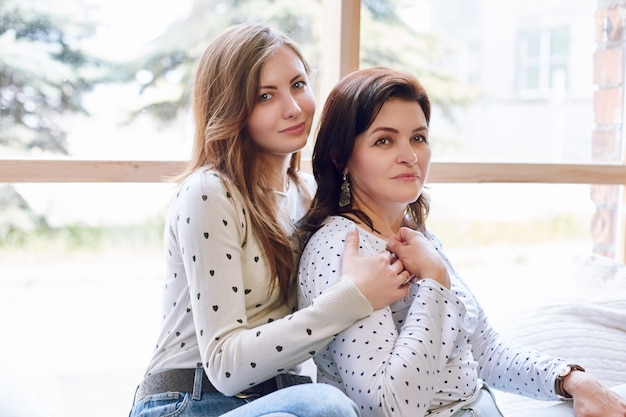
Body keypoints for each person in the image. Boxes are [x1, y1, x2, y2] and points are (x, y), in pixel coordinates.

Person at [297, 66, 626, 417]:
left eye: (419, 138)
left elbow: (483, 350)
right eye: (384, 140)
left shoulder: (417, 237)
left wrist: (570, 379)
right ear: (341, 158)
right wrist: (436, 282)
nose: (410, 155)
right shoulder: (340, 249)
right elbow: (390, 407)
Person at [128, 24, 412, 417]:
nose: (293, 107)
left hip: (280, 399)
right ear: (231, 109)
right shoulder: (209, 193)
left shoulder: (309, 195)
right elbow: (225, 366)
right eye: (265, 96)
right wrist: (353, 297)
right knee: (329, 407)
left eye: (298, 84)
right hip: (192, 401)